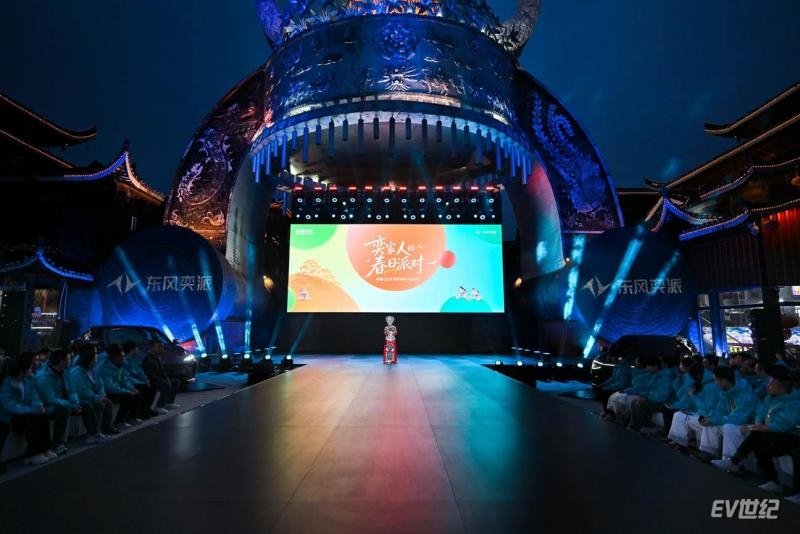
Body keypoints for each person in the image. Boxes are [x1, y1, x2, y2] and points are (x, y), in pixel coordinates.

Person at [711, 373, 800, 472]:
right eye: (768, 384)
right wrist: (757, 424)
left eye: (771, 385)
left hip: (787, 436)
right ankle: (731, 461)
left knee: (757, 437)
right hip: (766, 432)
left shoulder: (794, 404)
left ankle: (734, 462)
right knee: (734, 429)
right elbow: (760, 414)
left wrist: (754, 427)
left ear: (782, 390)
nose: (767, 386)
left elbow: (781, 426)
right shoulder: (769, 398)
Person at [0, 353, 55, 465]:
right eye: (29, 368)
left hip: (24, 412)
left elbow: (35, 397)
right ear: (21, 371)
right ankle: (32, 454)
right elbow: (9, 406)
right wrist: (31, 410)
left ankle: (45, 449)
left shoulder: (29, 380)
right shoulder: (6, 384)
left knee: (42, 415)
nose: (31, 370)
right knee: (34, 418)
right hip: (9, 417)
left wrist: (38, 406)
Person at [34, 349, 82, 455]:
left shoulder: (65, 373)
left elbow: (71, 390)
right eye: (68, 359)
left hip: (62, 403)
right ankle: (56, 444)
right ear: (61, 361)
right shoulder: (44, 377)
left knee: (75, 406)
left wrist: (75, 403)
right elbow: (49, 399)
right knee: (63, 411)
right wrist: (70, 405)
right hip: (46, 406)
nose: (70, 361)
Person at [70, 346, 119, 436]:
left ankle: (107, 427)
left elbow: (100, 384)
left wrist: (102, 393)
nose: (96, 361)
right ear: (88, 360)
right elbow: (81, 391)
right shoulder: (76, 373)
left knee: (108, 402)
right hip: (82, 398)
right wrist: (96, 397)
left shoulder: (94, 370)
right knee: (98, 404)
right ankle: (94, 432)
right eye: (94, 359)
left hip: (93, 396)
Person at [97, 344, 143, 428]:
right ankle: (119, 422)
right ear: (115, 358)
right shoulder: (105, 368)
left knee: (137, 393)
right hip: (108, 392)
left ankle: (132, 418)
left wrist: (131, 388)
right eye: (121, 357)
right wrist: (126, 391)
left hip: (117, 389)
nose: (123, 359)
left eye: (123, 356)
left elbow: (124, 381)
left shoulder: (120, 367)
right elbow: (109, 387)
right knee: (127, 396)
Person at [121, 340, 158, 419]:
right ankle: (140, 413)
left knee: (152, 386)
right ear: (132, 349)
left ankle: (146, 409)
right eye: (137, 348)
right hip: (130, 383)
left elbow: (140, 372)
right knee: (143, 388)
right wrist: (141, 382)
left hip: (137, 381)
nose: (138, 350)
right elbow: (127, 377)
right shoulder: (125, 361)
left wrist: (146, 380)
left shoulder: (133, 360)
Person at [141, 342, 181, 412]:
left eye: (162, 347)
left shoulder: (158, 358)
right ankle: (159, 406)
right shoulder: (148, 359)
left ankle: (168, 403)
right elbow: (150, 375)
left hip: (159, 379)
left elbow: (162, 372)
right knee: (165, 384)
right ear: (153, 348)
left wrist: (166, 378)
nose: (161, 349)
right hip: (152, 381)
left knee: (176, 382)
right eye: (159, 347)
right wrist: (163, 380)